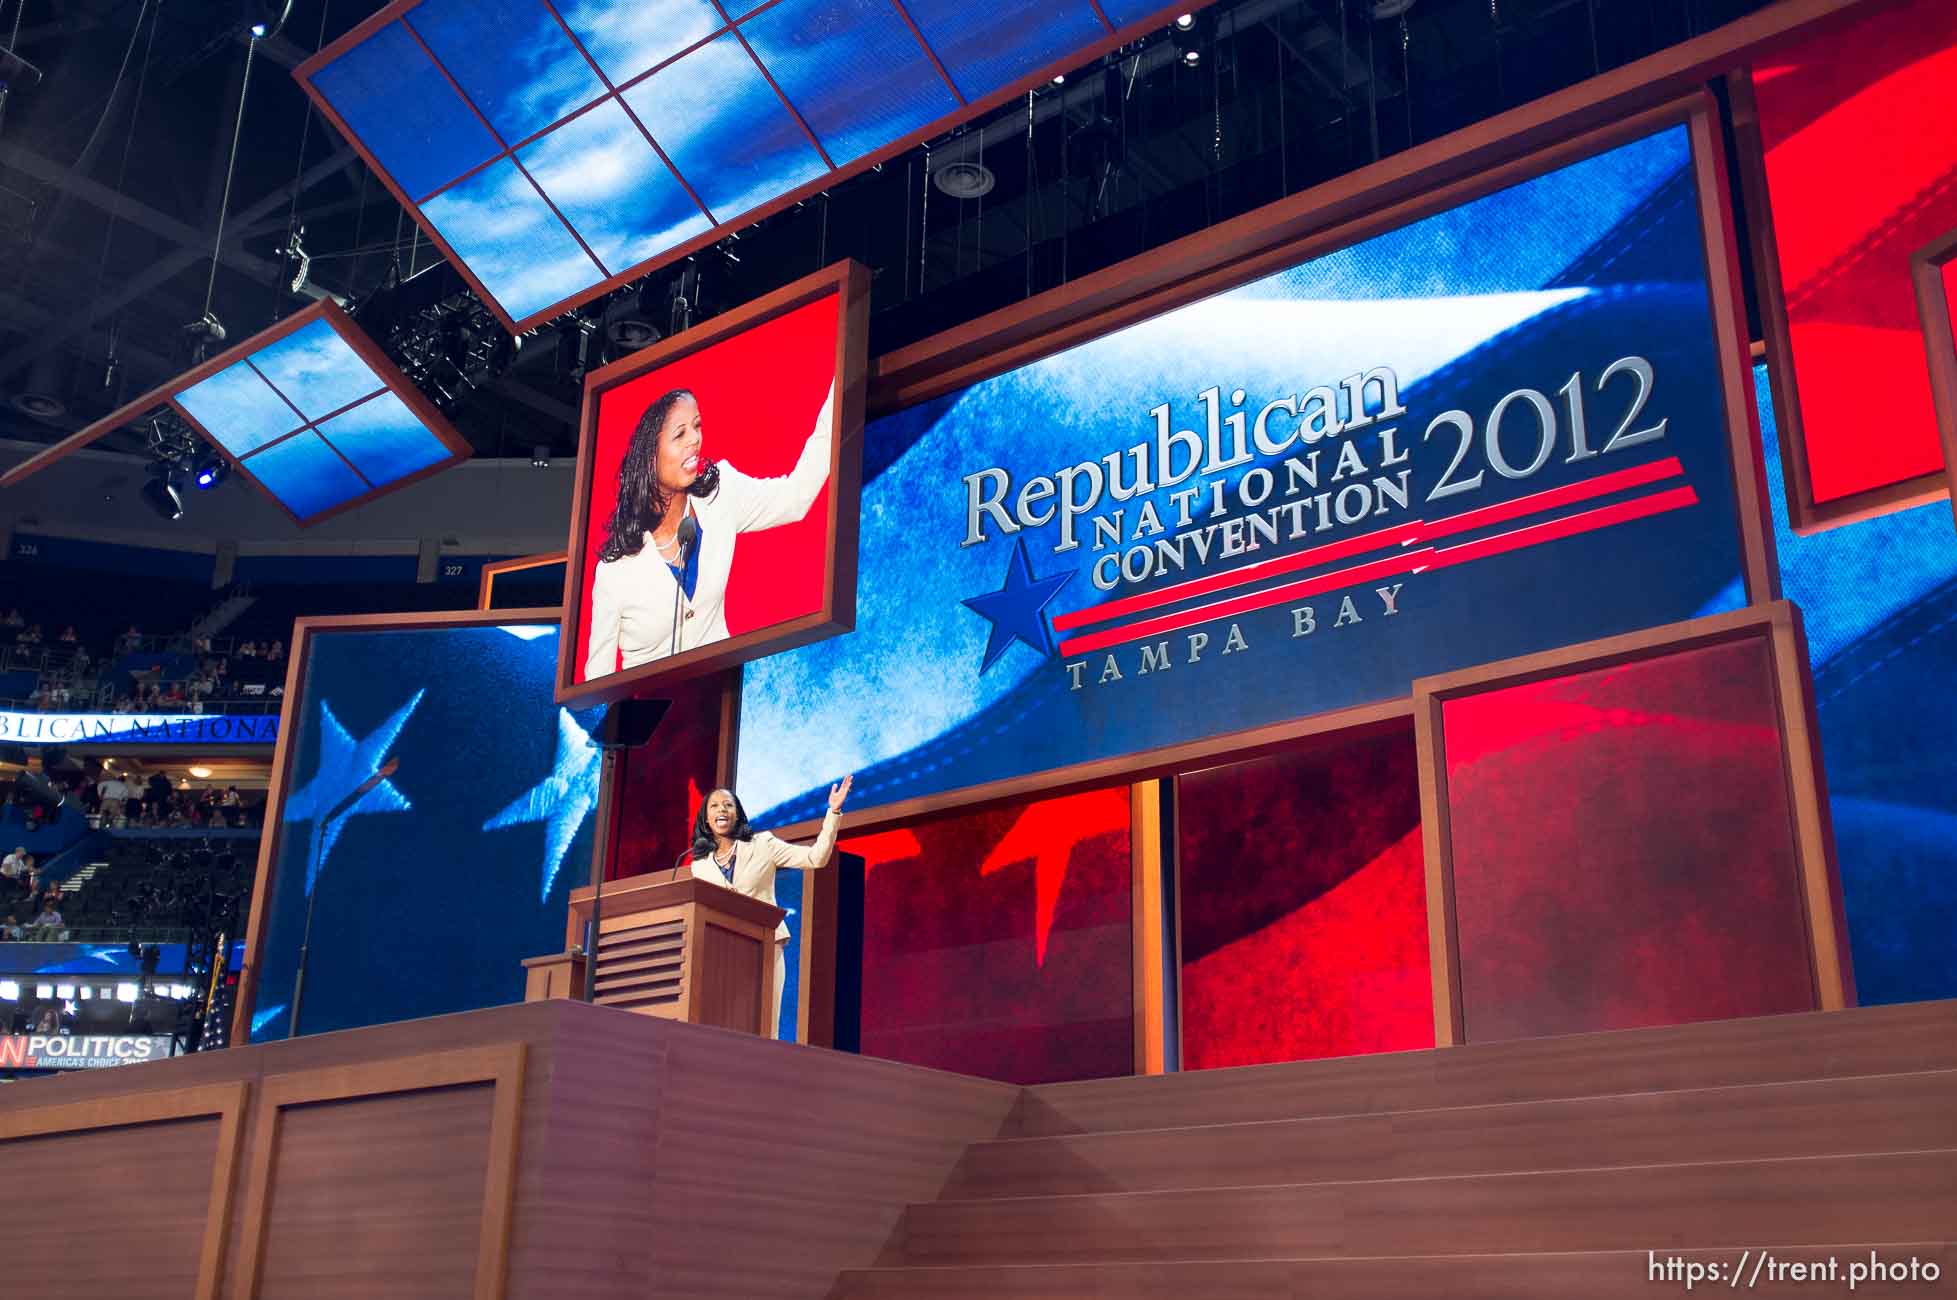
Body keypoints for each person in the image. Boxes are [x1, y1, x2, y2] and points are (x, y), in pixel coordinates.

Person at [583, 385, 836, 680]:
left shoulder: (721, 495)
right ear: (650, 458)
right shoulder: (615, 573)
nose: (695, 439)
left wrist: (841, 389)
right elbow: (597, 682)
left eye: (697, 426)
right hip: (653, 717)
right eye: (680, 434)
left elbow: (796, 498)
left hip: (725, 703)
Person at [683, 775, 852, 1033]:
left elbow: (815, 858)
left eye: (728, 805)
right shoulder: (699, 867)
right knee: (725, 1025)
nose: (721, 810)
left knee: (764, 1025)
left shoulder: (763, 844)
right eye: (714, 806)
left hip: (766, 946)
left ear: (738, 814)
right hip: (723, 953)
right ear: (706, 819)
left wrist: (834, 811)